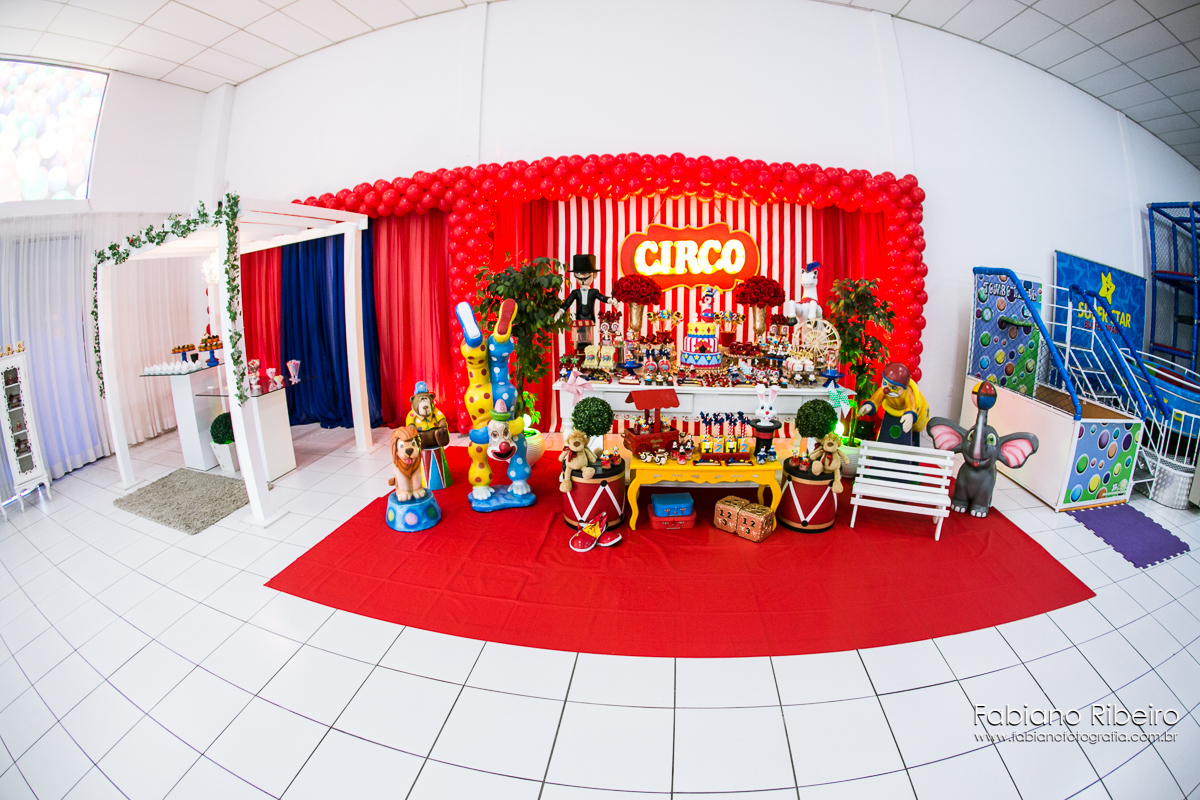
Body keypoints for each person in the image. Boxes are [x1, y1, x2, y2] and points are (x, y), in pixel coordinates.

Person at [858, 362, 930, 447]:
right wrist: (870, 405)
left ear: (903, 388)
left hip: (912, 414)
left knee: (905, 438)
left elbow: (911, 405)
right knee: (886, 434)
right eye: (885, 383)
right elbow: (876, 398)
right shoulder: (884, 390)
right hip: (892, 411)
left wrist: (910, 414)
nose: (887, 390)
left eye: (894, 387)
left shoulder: (908, 393)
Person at [558, 254, 611, 352]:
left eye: (586, 274)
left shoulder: (594, 292)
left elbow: (602, 298)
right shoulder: (576, 292)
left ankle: (589, 352)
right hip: (579, 318)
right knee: (580, 336)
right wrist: (560, 311)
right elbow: (567, 302)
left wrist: (610, 300)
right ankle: (580, 350)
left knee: (589, 337)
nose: (582, 277)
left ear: (594, 275)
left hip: (590, 318)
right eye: (578, 274)